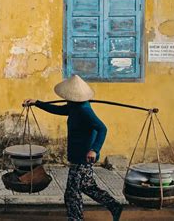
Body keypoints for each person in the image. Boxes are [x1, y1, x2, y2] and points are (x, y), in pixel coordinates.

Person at [23, 75, 123, 221]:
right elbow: (57, 110)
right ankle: (114, 206)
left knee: (71, 193)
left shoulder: (84, 110)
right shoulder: (74, 107)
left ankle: (75, 218)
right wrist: (37, 103)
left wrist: (94, 149)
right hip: (78, 155)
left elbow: (102, 128)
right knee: (88, 187)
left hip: (83, 157)